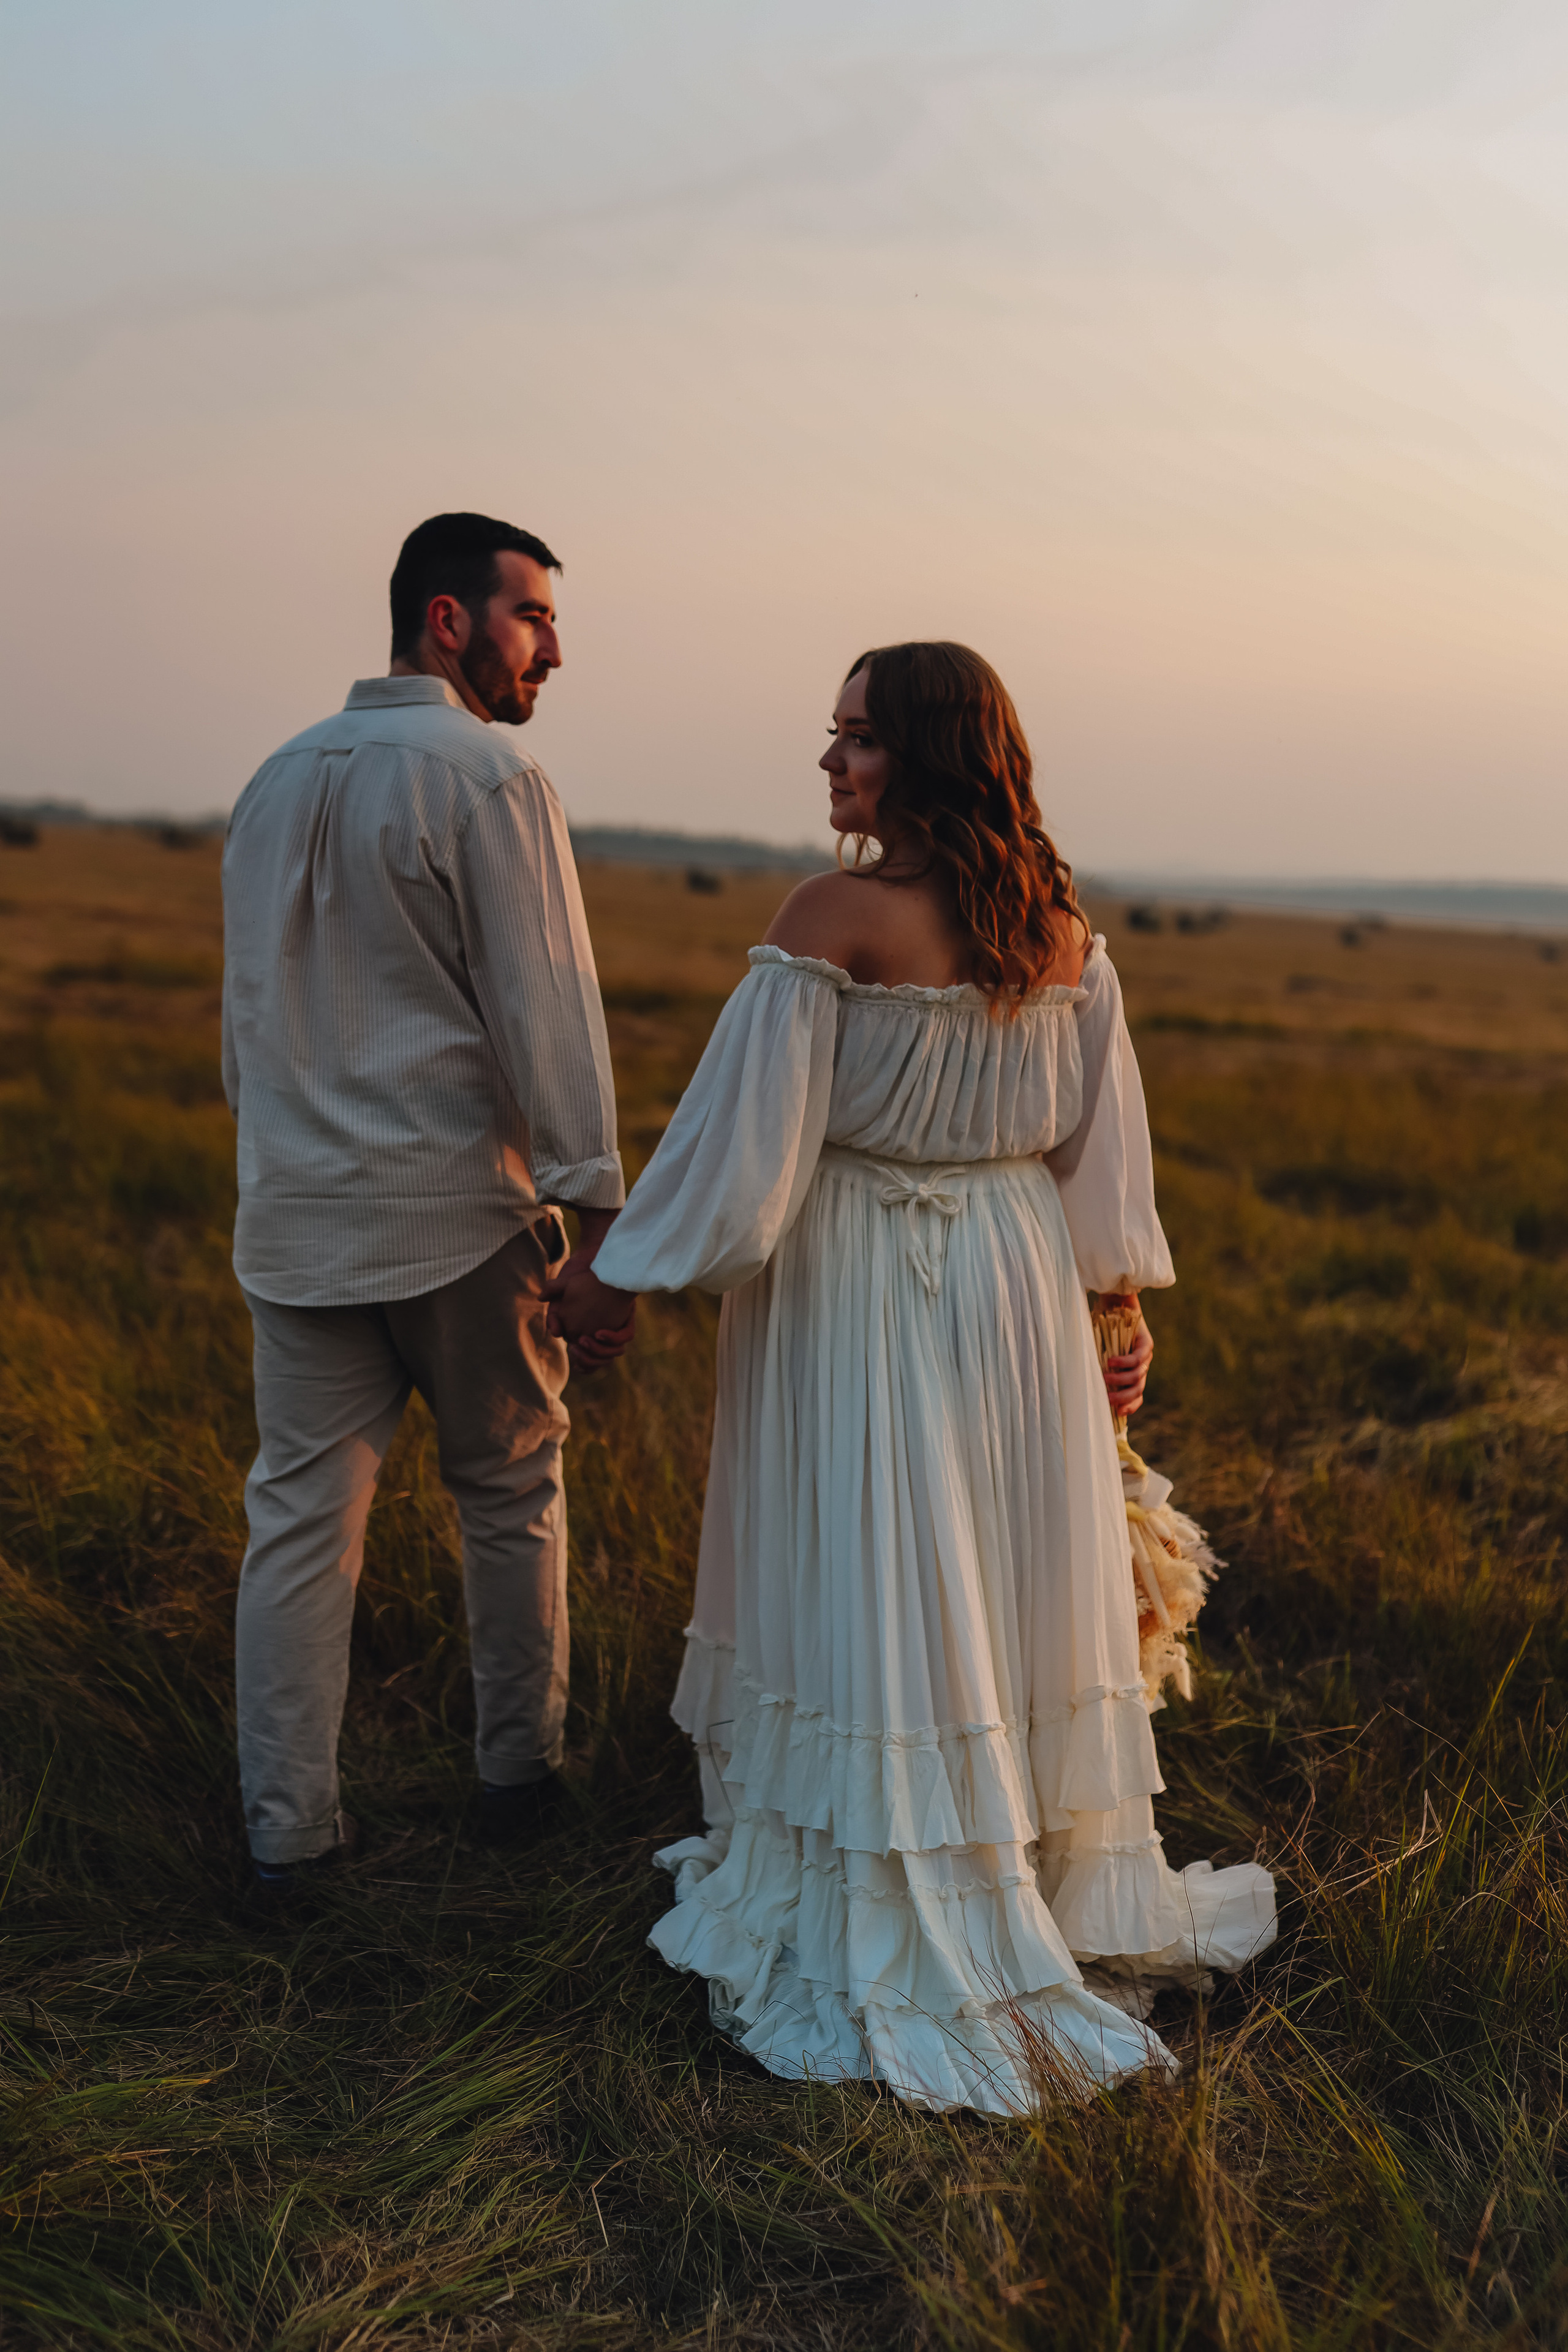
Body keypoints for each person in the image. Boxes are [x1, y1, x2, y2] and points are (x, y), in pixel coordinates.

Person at [547, 641, 1275, 2112]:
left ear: (935, 756)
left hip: (864, 1275)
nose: (830, 763)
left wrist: (608, 1268)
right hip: (1010, 1276)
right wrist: (1108, 1308)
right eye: (832, 735)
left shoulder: (831, 918)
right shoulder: (1058, 927)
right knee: (988, 1570)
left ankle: (897, 1886)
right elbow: (1095, 1158)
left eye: (859, 739)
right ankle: (1019, 1869)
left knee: (881, 1564)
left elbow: (743, 1161)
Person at [222, 511, 633, 1895]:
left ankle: (288, 1843)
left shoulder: (271, 780)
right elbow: (552, 1016)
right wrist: (601, 1220)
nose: (555, 651)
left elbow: (245, 1026)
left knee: (295, 1526)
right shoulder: (489, 777)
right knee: (509, 1496)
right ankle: (516, 1788)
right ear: (445, 621)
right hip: (459, 1215)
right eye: (533, 618)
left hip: (295, 1217)